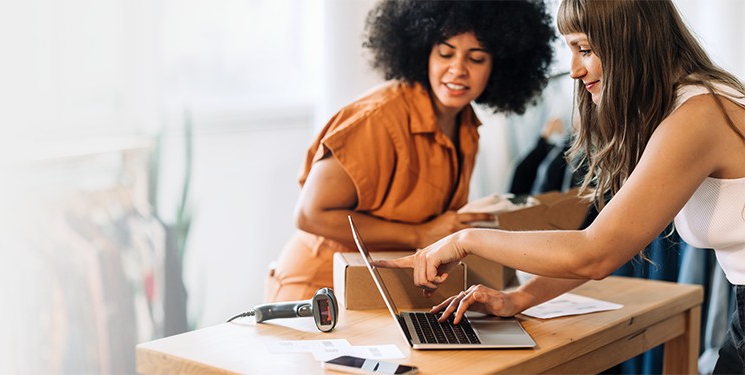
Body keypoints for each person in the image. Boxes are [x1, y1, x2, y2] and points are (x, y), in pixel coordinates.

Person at [372, 0, 745, 372]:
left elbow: (596, 253)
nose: (573, 70)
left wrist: (465, 240)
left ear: (631, 41)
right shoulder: (688, 106)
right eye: (570, 50)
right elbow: (602, 243)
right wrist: (517, 299)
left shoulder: (698, 117)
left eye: (584, 49)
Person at [263, 0, 556, 302]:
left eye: (477, 58)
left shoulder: (466, 125)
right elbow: (310, 215)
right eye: (445, 53)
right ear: (423, 52)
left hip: (381, 292)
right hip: (318, 291)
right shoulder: (376, 119)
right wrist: (421, 234)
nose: (458, 70)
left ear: (499, 66)